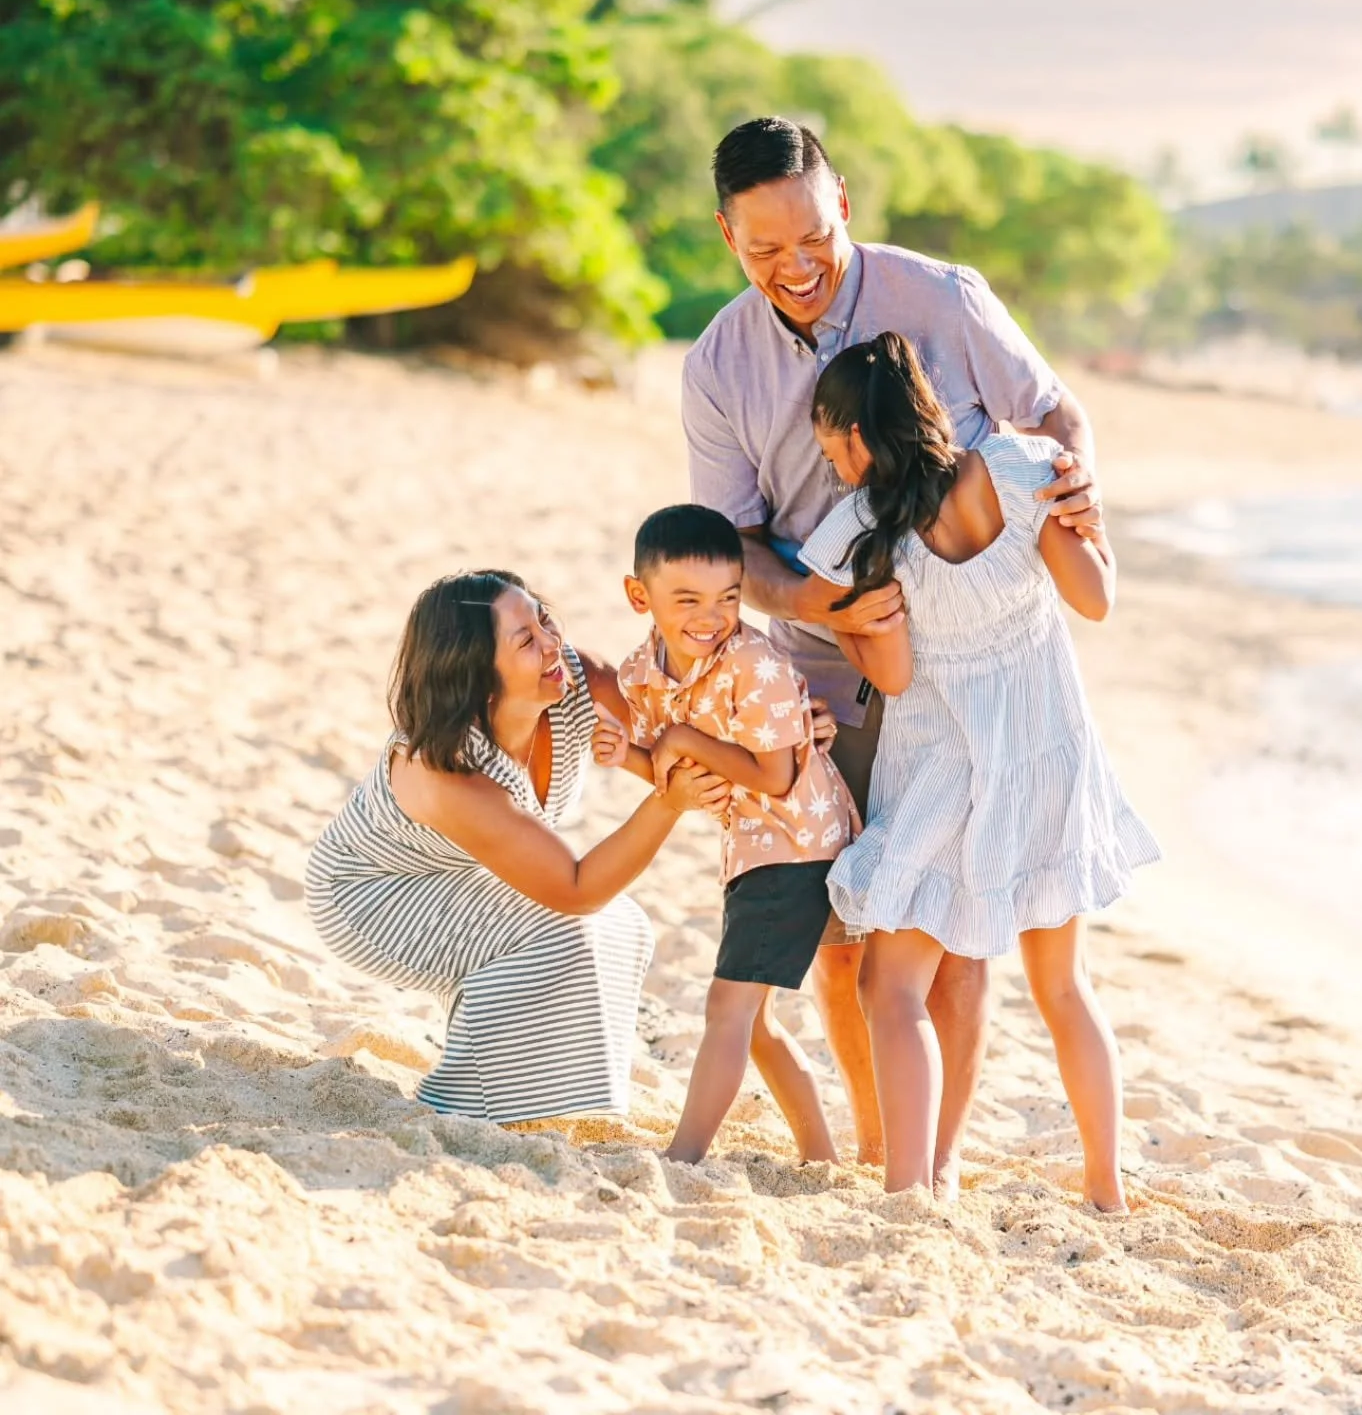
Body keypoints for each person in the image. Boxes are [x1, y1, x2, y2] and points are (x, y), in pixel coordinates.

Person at [683, 115, 1104, 1177]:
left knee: (951, 946)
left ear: (844, 210)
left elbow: (1055, 412)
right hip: (826, 679)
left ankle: (936, 1169)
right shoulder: (717, 364)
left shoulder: (945, 298)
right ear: (727, 236)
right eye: (766, 248)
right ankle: (883, 1152)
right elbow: (735, 541)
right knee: (844, 939)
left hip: (971, 689)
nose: (797, 267)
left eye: (813, 238)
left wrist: (1081, 491)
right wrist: (831, 613)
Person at [798, 333, 1160, 1209]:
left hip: (939, 776)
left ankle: (910, 1184)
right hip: (1045, 757)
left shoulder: (862, 528)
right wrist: (1085, 518)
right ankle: (1105, 1190)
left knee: (893, 989)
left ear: (858, 433)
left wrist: (854, 624)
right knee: (1064, 988)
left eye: (831, 448)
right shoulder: (1022, 467)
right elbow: (1096, 600)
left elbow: (888, 677)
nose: (833, 469)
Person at [304, 569, 732, 1124]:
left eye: (544, 619)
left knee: (622, 924)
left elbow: (693, 733)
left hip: (461, 868)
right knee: (570, 928)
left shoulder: (577, 680)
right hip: (369, 894)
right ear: (479, 675)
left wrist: (790, 724)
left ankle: (547, 1091)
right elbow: (574, 891)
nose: (552, 644)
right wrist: (668, 804)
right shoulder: (444, 770)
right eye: (526, 641)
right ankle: (458, 1100)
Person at [594, 505, 859, 1164]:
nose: (710, 618)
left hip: (797, 844)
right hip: (750, 847)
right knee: (757, 1024)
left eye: (729, 598)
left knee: (728, 1007)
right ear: (639, 596)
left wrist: (683, 737)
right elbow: (668, 771)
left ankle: (682, 1157)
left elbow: (773, 778)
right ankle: (820, 1155)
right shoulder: (641, 675)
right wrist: (621, 752)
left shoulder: (754, 663)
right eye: (687, 600)